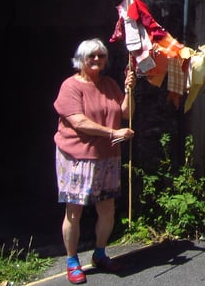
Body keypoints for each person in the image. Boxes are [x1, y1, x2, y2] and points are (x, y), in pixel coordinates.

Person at [53, 38, 136, 284]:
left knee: (107, 209)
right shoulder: (71, 86)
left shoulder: (110, 84)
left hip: (107, 157)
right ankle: (71, 260)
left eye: (101, 55)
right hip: (77, 157)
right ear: (81, 60)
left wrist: (129, 89)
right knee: (74, 211)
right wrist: (113, 133)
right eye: (92, 56)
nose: (98, 60)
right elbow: (79, 122)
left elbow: (126, 113)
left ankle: (100, 253)